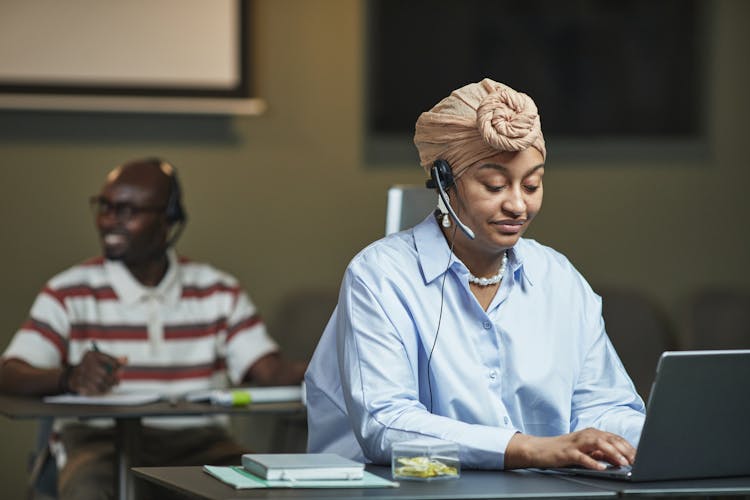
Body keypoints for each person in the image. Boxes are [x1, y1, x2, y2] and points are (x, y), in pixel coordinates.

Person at [305, 78, 646, 470]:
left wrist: (653, 439)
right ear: (444, 181)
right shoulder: (380, 277)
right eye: (495, 185)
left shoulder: (559, 279)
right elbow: (386, 424)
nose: (518, 205)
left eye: (532, 184)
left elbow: (602, 406)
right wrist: (528, 448)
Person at [0, 158, 306, 499]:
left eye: (129, 211)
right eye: (105, 207)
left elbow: (270, 373)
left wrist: (336, 363)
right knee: (90, 490)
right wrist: (68, 377)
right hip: (97, 443)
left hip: (201, 445)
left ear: (169, 220)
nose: (109, 222)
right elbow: (9, 372)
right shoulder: (70, 291)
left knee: (266, 492)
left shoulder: (218, 291)